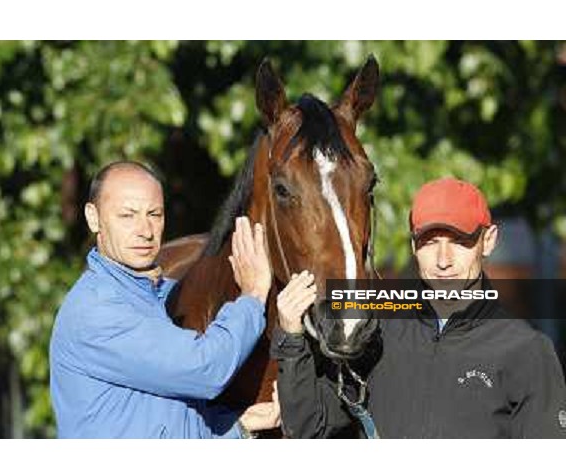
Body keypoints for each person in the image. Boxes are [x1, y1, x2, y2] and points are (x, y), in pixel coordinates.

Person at [272, 178, 566, 438]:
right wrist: (291, 338)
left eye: (460, 242)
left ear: (487, 241)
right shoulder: (377, 331)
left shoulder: (526, 350)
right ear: (413, 246)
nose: (443, 260)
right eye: (429, 242)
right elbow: (309, 428)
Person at [50, 160, 280, 438]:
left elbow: (170, 421)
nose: (145, 230)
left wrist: (238, 426)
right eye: (127, 215)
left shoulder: (160, 296)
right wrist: (253, 296)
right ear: (93, 217)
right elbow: (205, 370)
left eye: (154, 214)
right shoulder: (96, 310)